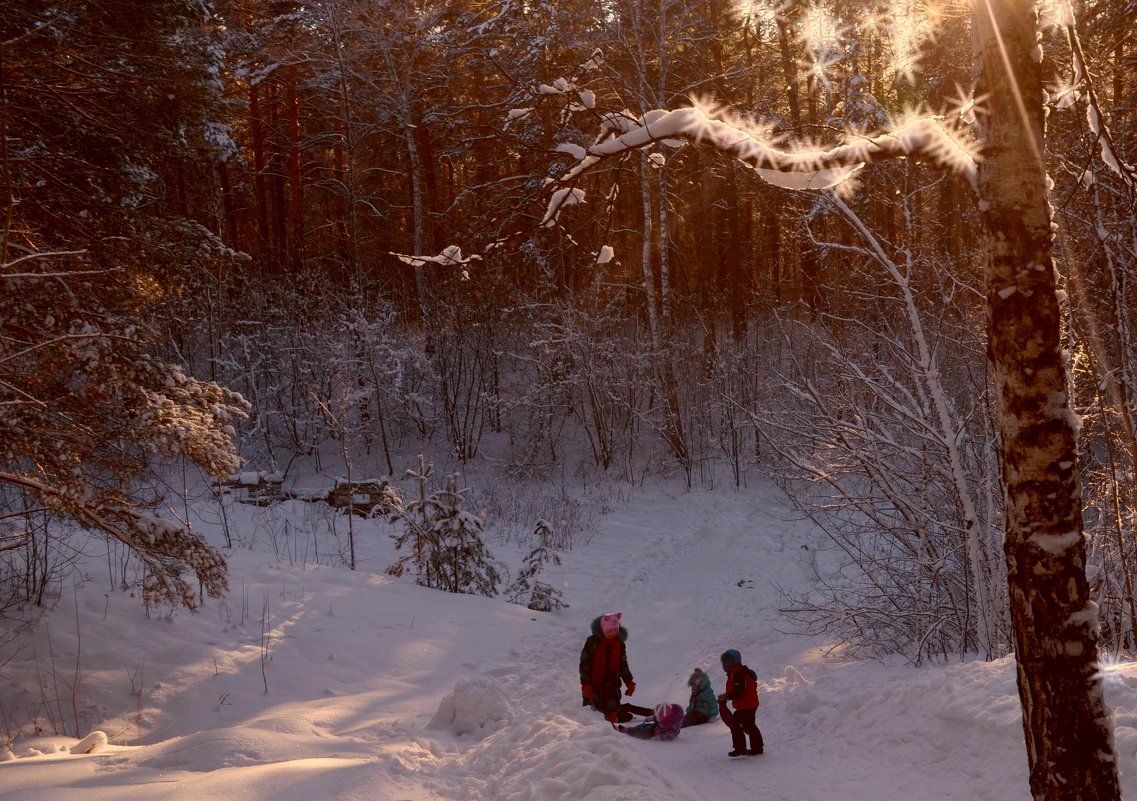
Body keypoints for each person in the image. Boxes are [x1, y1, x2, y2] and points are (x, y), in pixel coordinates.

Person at [580, 611, 644, 723]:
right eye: (610, 631)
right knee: (594, 713)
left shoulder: (619, 644)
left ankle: (616, 713)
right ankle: (619, 711)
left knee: (611, 713)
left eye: (615, 631)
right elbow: (585, 663)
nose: (613, 634)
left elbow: (623, 664)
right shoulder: (592, 642)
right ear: (603, 629)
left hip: (612, 682)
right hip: (593, 683)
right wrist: (586, 684)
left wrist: (629, 681)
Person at [717, 649, 764, 757]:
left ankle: (741, 748)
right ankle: (757, 748)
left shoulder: (738, 674)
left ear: (734, 662)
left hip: (746, 705)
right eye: (725, 662)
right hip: (750, 703)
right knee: (749, 725)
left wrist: (726, 697)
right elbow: (737, 690)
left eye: (728, 661)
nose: (726, 664)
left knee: (735, 724)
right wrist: (726, 695)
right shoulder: (737, 672)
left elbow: (740, 692)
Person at [618, 703, 684, 740]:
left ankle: (626, 731)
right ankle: (630, 729)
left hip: (653, 733)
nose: (657, 717)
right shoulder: (667, 716)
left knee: (640, 732)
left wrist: (658, 736)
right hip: (657, 727)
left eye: (658, 717)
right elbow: (660, 717)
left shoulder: (672, 727)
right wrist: (652, 718)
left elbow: (669, 736)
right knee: (641, 727)